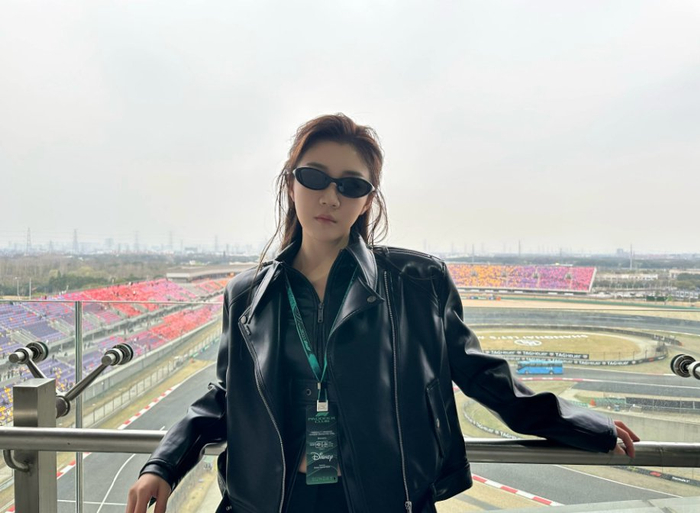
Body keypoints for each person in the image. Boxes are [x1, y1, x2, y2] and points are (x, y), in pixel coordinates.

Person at [126, 114, 638, 513]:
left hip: (383, 501)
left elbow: (483, 376)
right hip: (269, 502)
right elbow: (226, 396)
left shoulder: (418, 283)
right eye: (314, 177)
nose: (331, 196)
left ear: (369, 200)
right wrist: (164, 464)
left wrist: (581, 425)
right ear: (290, 184)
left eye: (352, 185)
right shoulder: (247, 295)